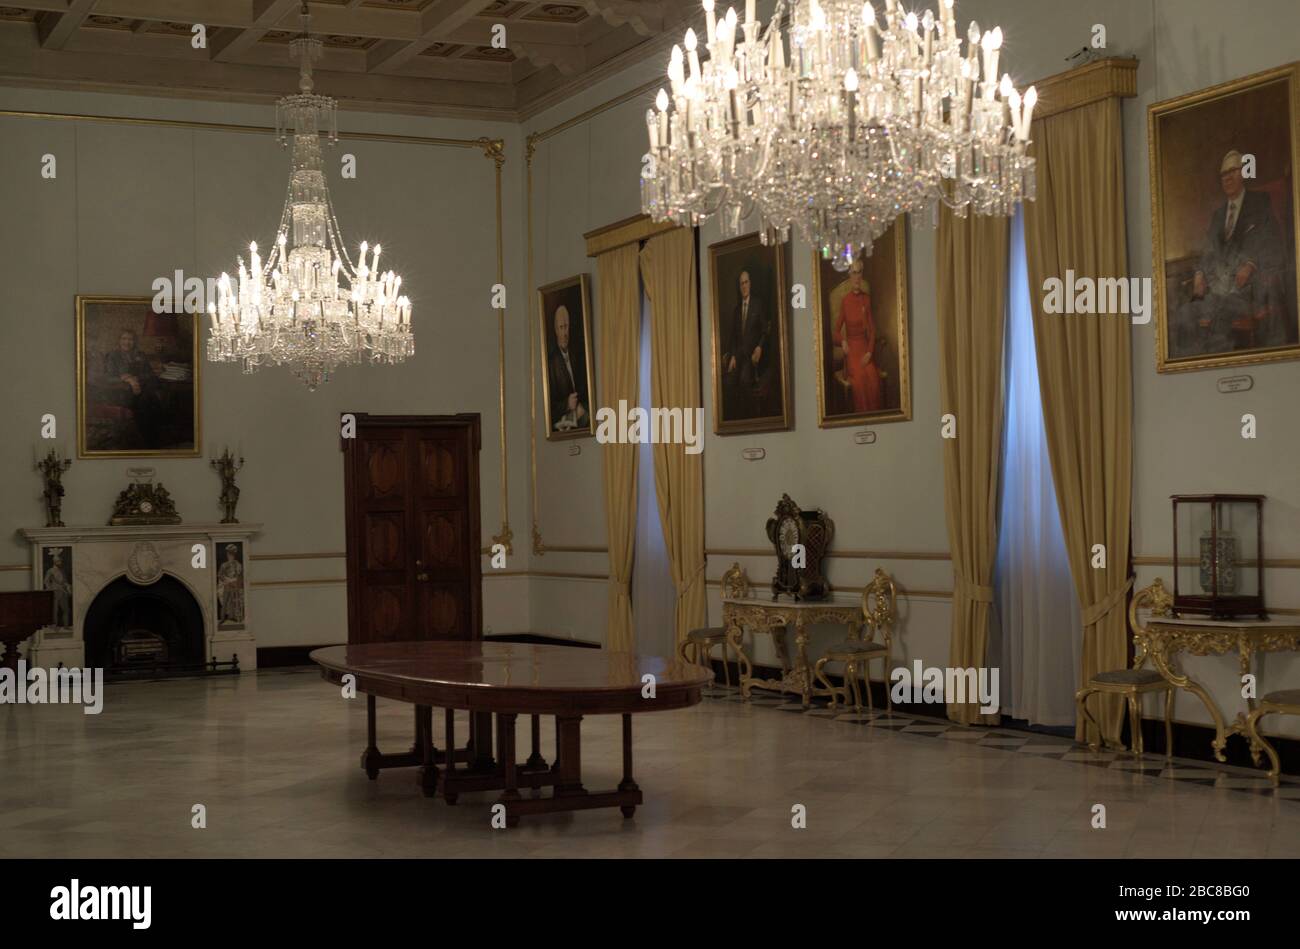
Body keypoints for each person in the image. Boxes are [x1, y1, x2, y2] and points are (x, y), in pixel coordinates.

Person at [1174, 149, 1286, 356]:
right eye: (1224, 174)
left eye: (1232, 171)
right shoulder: (1218, 215)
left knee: (1220, 317)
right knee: (1184, 314)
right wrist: (1199, 273)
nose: (1227, 177)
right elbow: (1207, 251)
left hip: (1248, 291)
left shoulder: (1260, 203)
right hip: (1217, 291)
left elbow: (1273, 244)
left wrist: (1251, 264)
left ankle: (1219, 363)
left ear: (1243, 173)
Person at [721, 269, 775, 419]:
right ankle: (735, 422)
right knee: (727, 383)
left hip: (752, 357)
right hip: (738, 356)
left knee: (744, 381)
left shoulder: (758, 304)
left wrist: (759, 347)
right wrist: (732, 356)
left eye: (746, 282)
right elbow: (733, 337)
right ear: (740, 287)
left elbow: (765, 330)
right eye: (741, 284)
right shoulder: (736, 310)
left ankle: (749, 420)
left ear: (750, 284)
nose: (744, 286)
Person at [833, 258, 883, 414]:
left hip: (865, 349)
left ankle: (876, 419)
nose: (856, 277)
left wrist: (869, 352)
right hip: (852, 352)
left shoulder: (866, 299)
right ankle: (863, 418)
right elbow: (836, 332)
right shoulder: (845, 301)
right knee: (860, 382)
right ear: (849, 275)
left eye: (859, 272)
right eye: (853, 273)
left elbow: (873, 331)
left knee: (874, 380)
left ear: (862, 274)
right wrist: (843, 342)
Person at [101, 328, 165, 444]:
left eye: (130, 339)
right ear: (119, 340)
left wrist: (135, 379)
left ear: (135, 341)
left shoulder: (140, 355)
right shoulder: (113, 356)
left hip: (141, 390)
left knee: (150, 399)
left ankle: (153, 438)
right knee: (146, 400)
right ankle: (149, 440)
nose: (127, 342)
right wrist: (125, 378)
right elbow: (108, 378)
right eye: (124, 339)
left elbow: (149, 374)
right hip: (121, 393)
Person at [547, 304, 589, 432]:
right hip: (563, 419)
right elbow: (550, 407)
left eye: (566, 327)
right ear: (556, 330)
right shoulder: (551, 363)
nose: (565, 333)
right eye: (561, 327)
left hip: (580, 412)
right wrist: (567, 404)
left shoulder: (577, 353)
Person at [217, 545, 245, 626]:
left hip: (235, 585)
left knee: (235, 602)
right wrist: (227, 580)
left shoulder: (238, 565)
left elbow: (240, 575)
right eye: (229, 554)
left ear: (234, 555)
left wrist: (236, 582)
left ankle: (235, 617)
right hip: (227, 585)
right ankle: (222, 618)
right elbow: (220, 575)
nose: (230, 556)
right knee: (225, 602)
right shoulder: (224, 565)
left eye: (232, 554)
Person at [43, 550, 72, 628]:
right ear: (55, 562)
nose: (60, 562)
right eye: (59, 561)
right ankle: (54, 626)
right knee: (54, 610)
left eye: (61, 561)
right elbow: (46, 581)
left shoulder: (62, 571)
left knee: (66, 610)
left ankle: (66, 626)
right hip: (55, 592)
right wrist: (50, 590)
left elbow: (65, 582)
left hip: (63, 592)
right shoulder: (50, 571)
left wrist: (68, 587)